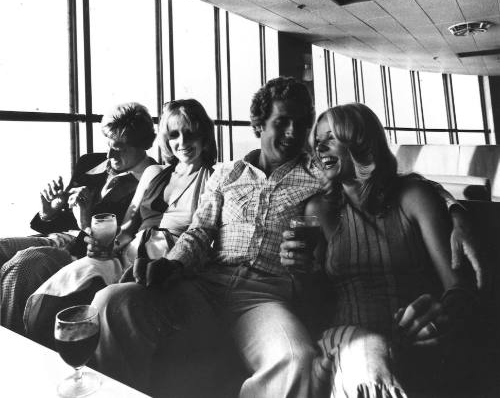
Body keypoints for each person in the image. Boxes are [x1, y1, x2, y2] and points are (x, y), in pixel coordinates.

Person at [91, 76, 325, 397]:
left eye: (301, 123)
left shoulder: (318, 179)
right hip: (205, 286)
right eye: (282, 121)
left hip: (264, 297)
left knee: (296, 359)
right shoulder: (228, 174)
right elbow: (199, 232)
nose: (292, 132)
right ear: (258, 125)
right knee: (112, 301)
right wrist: (171, 265)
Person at [281, 103, 477, 397]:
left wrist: (441, 316)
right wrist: (298, 274)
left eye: (330, 137)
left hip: (407, 346)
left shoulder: (414, 197)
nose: (319, 146)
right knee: (366, 349)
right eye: (317, 139)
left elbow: (458, 287)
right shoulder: (318, 210)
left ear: (359, 142)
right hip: (343, 344)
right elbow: (313, 305)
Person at [23, 99, 217, 348]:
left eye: (190, 133)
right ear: (166, 139)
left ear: (204, 134)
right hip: (132, 249)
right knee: (61, 288)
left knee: (98, 299)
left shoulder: (214, 177)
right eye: (174, 134)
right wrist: (105, 247)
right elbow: (127, 226)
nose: (182, 142)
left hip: (167, 256)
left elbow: (204, 237)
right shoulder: (155, 174)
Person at [0, 102, 156, 335]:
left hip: (82, 251)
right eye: (108, 144)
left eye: (120, 147)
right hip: (60, 236)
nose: (109, 154)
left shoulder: (152, 179)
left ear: (143, 145)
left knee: (26, 262)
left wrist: (84, 220)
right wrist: (50, 211)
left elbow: (116, 243)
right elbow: (60, 221)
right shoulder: (90, 162)